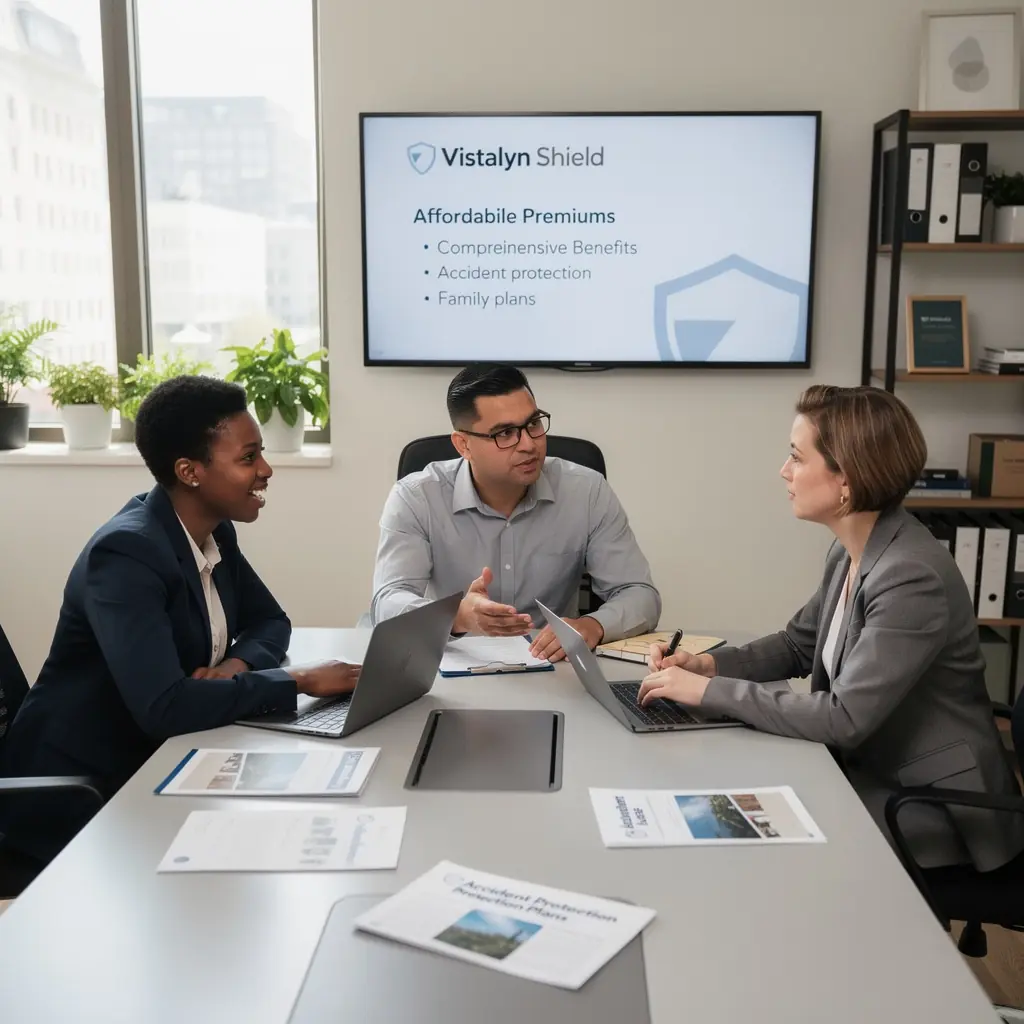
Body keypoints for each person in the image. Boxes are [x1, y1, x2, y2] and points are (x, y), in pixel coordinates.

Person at [639, 384, 1024, 871]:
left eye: (797, 458)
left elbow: (843, 718)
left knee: (758, 844)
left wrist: (705, 692)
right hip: (874, 771)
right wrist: (708, 665)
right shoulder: (850, 549)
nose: (784, 471)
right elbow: (796, 645)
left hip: (935, 803)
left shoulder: (910, 576)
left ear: (847, 478)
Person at [0, 376, 359, 868]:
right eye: (248, 457)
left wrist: (235, 665)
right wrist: (296, 681)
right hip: (82, 795)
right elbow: (163, 707)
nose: (266, 469)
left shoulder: (212, 531)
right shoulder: (126, 553)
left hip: (163, 760)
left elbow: (270, 621)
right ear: (190, 472)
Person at [371, 363, 660, 661]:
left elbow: (640, 594)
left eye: (533, 424)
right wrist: (457, 616)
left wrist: (592, 625)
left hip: (554, 666)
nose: (528, 445)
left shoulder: (586, 491)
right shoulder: (416, 497)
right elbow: (387, 602)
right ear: (463, 445)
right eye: (505, 433)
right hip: (456, 662)